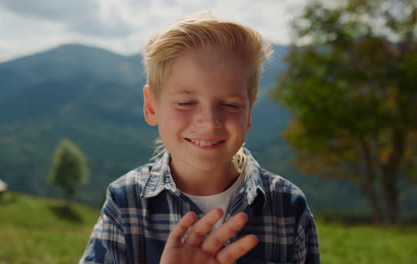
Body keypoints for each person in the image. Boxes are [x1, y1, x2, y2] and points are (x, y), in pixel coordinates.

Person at [80, 12, 320, 264]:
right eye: (185, 103)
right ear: (151, 107)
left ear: (249, 112)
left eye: (230, 104)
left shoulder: (288, 207)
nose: (209, 121)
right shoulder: (125, 203)